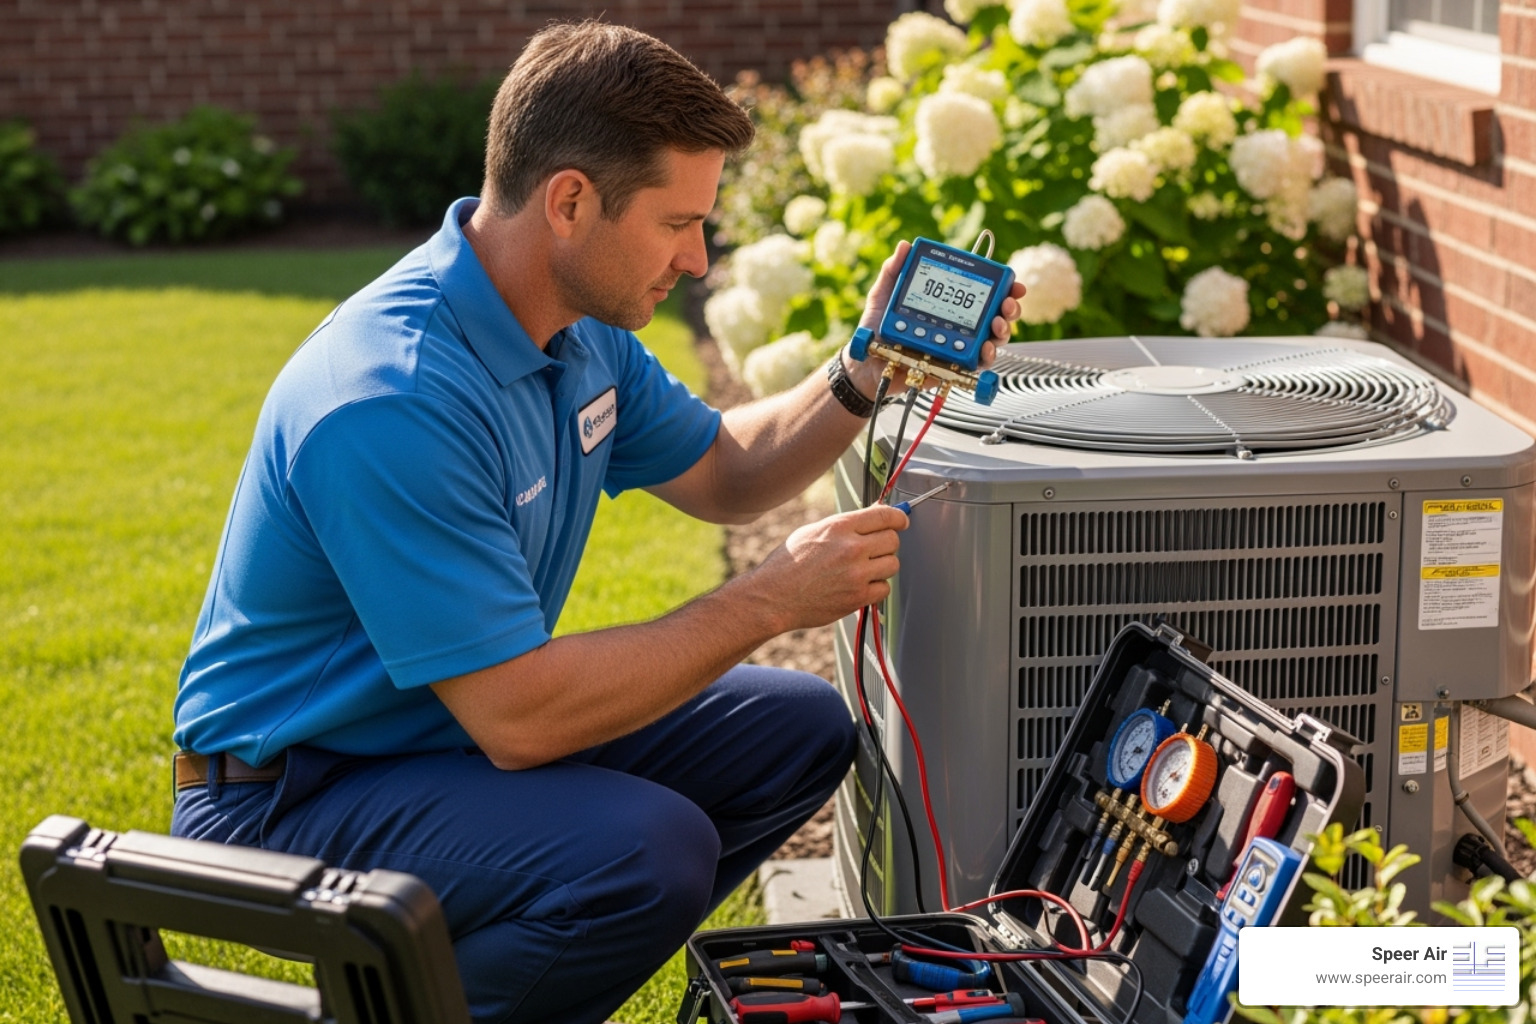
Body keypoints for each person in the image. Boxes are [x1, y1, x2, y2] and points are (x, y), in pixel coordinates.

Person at [169, 20, 1023, 1024]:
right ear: (570, 201)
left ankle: (494, 971)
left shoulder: (575, 331)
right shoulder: (392, 398)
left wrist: (866, 367)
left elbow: (726, 470)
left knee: (794, 731)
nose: (698, 260)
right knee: (642, 852)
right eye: (678, 223)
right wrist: (769, 599)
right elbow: (521, 718)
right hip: (289, 798)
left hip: (438, 743)